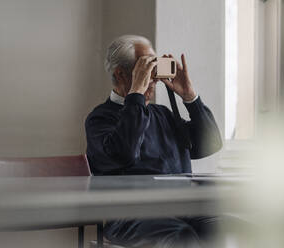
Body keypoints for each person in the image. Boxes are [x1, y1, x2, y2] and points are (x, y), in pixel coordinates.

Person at [85, 35, 223, 247]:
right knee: (182, 237)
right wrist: (137, 94)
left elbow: (210, 144)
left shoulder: (162, 114)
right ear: (120, 74)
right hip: (130, 217)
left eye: (153, 67)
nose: (154, 78)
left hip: (182, 208)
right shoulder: (100, 119)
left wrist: (189, 96)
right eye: (145, 68)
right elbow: (126, 153)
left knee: (231, 229)